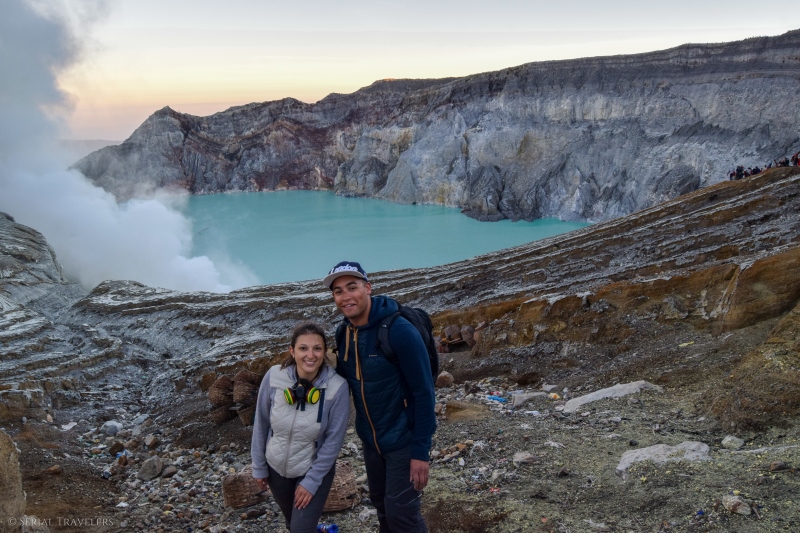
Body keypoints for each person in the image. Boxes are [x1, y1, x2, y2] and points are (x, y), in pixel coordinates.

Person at [323, 261, 436, 533]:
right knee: (382, 508)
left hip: (403, 441)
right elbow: (341, 383)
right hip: (371, 441)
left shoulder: (399, 331)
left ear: (368, 288)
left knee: (402, 515)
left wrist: (421, 452)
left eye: (352, 287)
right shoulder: (344, 333)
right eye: (338, 291)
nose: (346, 296)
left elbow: (424, 394)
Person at [251, 322, 349, 533]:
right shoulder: (274, 376)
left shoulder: (337, 387)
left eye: (317, 348)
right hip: (276, 469)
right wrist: (259, 466)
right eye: (303, 348)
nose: (310, 355)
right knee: (293, 523)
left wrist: (312, 481)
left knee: (301, 529)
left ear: (325, 352)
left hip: (313, 470)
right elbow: (261, 422)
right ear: (292, 351)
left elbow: (333, 441)